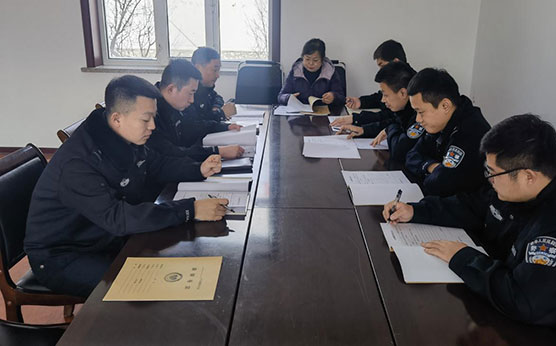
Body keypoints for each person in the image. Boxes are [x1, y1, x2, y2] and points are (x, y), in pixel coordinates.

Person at [383, 115, 556, 344]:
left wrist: (462, 257)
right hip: (505, 298)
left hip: (553, 332)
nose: (489, 179)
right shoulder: (524, 187)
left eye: (493, 173)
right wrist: (415, 211)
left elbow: (524, 299)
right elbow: (474, 205)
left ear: (528, 176)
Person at [24, 75, 228, 298]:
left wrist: (198, 169)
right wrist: (190, 209)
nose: (153, 126)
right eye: (146, 119)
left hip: (100, 236)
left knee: (177, 260)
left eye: (154, 117)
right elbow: (117, 219)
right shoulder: (78, 164)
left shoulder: (121, 136)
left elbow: (156, 164)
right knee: (145, 287)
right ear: (117, 118)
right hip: (63, 256)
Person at [404, 68, 490, 196]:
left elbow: (439, 183)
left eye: (420, 112)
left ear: (445, 106)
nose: (418, 119)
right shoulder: (440, 123)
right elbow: (411, 156)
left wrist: (431, 170)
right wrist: (431, 166)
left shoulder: (471, 132)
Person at [148, 59, 244, 161]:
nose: (192, 100)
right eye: (190, 93)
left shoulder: (176, 104)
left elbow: (194, 126)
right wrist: (218, 151)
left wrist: (225, 127)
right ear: (171, 89)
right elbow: (172, 153)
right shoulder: (151, 115)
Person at [336, 62, 422, 165]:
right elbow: (391, 122)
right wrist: (364, 130)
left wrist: (390, 129)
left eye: (386, 95)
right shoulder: (404, 108)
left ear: (403, 93)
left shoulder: (419, 115)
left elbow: (400, 150)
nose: (382, 100)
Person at [331, 40, 414, 143]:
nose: (383, 100)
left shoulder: (413, 90)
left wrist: (358, 120)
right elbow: (380, 98)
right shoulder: (402, 83)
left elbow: (390, 118)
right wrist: (361, 102)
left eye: (382, 66)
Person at [277, 38, 345, 106]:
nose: (311, 63)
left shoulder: (330, 72)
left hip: (322, 110)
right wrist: (288, 98)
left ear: (322, 60)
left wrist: (333, 97)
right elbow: (281, 97)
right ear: (302, 58)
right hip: (299, 110)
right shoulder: (295, 71)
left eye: (315, 60)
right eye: (307, 59)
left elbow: (342, 98)